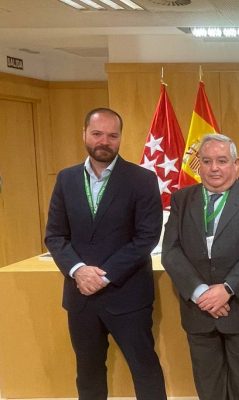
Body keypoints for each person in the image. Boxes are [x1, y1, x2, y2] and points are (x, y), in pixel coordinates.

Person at [44, 107, 166, 399]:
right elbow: (55, 235)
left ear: (120, 138)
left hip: (128, 296)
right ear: (84, 134)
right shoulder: (66, 179)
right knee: (88, 374)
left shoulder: (142, 179)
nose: (105, 141)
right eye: (97, 133)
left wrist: (104, 276)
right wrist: (79, 271)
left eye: (112, 135)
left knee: (145, 371)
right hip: (81, 298)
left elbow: (147, 237)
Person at [162, 134, 239, 399]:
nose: (214, 168)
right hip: (198, 310)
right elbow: (171, 251)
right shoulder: (181, 199)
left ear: (235, 164)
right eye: (207, 161)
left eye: (222, 161)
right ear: (199, 165)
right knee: (207, 385)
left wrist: (227, 289)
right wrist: (201, 292)